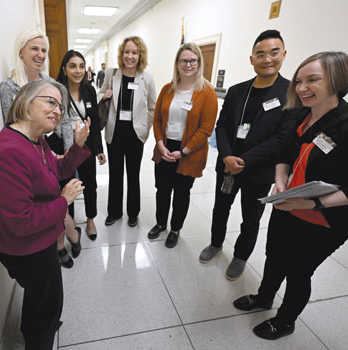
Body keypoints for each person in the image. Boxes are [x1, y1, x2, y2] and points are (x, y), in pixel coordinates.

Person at [233, 51, 348, 340]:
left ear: (337, 81)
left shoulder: (345, 125)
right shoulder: (300, 115)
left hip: (325, 218)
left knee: (298, 270)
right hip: (288, 205)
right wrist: (281, 180)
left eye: (312, 81)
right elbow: (285, 152)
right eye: (298, 81)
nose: (301, 88)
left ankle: (285, 321)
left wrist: (311, 202)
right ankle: (264, 297)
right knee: (274, 256)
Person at [0, 80, 91, 349]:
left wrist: (76, 147)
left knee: (40, 298)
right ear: (25, 103)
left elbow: (55, 172)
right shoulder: (9, 150)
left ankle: (35, 327)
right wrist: (64, 201)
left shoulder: (36, 141)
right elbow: (21, 222)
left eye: (60, 106)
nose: (57, 110)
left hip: (39, 241)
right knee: (48, 303)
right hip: (27, 249)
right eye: (50, 102)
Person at [199, 30, 292, 279]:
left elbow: (282, 138)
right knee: (221, 209)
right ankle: (216, 243)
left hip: (258, 173)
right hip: (228, 167)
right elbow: (222, 125)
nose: (267, 59)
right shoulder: (237, 91)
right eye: (260, 54)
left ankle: (240, 256)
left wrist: (245, 160)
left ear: (283, 55)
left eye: (274, 53)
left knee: (251, 218)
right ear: (251, 59)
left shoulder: (290, 93)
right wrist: (227, 156)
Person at [148, 42, 218, 248]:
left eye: (192, 60)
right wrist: (160, 144)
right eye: (183, 60)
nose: (188, 64)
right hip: (165, 146)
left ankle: (175, 229)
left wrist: (184, 152)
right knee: (162, 189)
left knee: (181, 193)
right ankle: (160, 223)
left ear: (198, 63)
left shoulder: (207, 93)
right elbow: (157, 120)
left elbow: (206, 129)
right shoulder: (167, 89)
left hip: (189, 151)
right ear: (177, 63)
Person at [98, 36, 156, 227]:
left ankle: (133, 212)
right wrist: (104, 96)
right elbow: (100, 93)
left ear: (140, 55)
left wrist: (145, 131)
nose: (130, 56)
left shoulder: (147, 78)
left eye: (134, 52)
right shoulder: (111, 74)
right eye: (126, 52)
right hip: (114, 133)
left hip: (135, 135)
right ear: (121, 54)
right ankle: (114, 212)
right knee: (115, 174)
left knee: (133, 174)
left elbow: (152, 108)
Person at [56, 50, 106, 240]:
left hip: (85, 146)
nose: (78, 71)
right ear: (64, 69)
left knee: (89, 184)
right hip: (65, 148)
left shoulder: (89, 90)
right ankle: (69, 221)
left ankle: (90, 219)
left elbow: (95, 120)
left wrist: (99, 149)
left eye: (81, 66)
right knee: (67, 184)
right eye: (73, 66)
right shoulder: (57, 90)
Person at [0, 28, 73, 152]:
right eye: (34, 49)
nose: (41, 55)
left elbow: (65, 121)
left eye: (44, 50)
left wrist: (69, 155)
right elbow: (13, 128)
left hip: (57, 145)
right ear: (20, 51)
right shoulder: (9, 87)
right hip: (31, 152)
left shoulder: (52, 84)